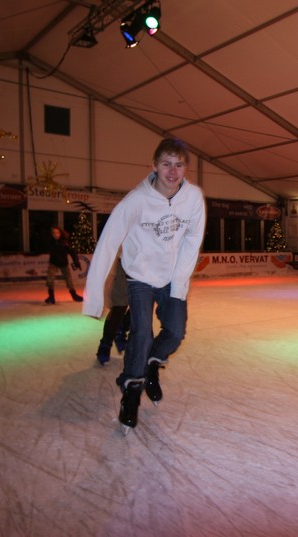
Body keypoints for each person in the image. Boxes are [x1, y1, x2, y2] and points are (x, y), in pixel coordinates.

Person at [82, 137, 206, 433]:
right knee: (141, 333)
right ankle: (131, 391)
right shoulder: (136, 200)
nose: (172, 172)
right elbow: (108, 243)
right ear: (154, 166)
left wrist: (179, 283)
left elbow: (192, 241)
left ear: (186, 168)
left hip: (171, 276)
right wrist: (94, 298)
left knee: (175, 332)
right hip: (139, 275)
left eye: (179, 165)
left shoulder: (193, 197)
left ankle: (152, 363)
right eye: (166, 164)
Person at [95, 258, 130, 366]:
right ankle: (106, 343)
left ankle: (121, 329)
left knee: (140, 310)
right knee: (118, 308)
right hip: (124, 266)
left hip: (143, 268)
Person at [45, 226, 83, 304]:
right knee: (50, 279)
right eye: (54, 233)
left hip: (63, 263)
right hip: (53, 263)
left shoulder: (64, 242)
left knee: (68, 279)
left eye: (57, 233)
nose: (55, 235)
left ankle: (74, 295)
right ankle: (51, 297)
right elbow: (41, 248)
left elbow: (72, 252)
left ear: (60, 233)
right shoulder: (50, 242)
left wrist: (76, 262)